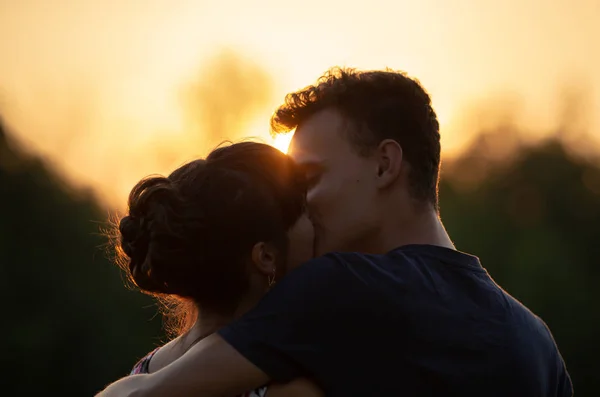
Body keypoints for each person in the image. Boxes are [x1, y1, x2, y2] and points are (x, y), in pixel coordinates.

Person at [99, 67, 573, 396]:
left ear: (385, 164)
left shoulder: (342, 287)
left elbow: (149, 392)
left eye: (310, 179)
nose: (300, 203)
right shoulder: (537, 342)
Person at [110, 142, 322, 397]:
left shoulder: (143, 373)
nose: (317, 220)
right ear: (266, 256)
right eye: (304, 211)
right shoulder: (291, 388)